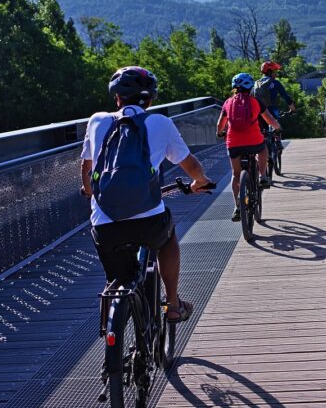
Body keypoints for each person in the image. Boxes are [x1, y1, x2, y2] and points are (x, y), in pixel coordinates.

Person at [80, 66, 213, 323]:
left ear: (117, 98)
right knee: (168, 236)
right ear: (150, 99)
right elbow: (190, 164)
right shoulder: (160, 123)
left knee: (117, 277)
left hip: (105, 224)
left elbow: (86, 166)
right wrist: (200, 181)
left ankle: (112, 328)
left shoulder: (96, 121)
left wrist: (88, 191)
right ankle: (173, 305)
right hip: (148, 222)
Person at [216, 72, 281, 222]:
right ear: (250, 87)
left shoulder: (227, 103)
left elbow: (220, 123)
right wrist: (277, 128)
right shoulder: (256, 102)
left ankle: (238, 207)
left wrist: (219, 133)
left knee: (236, 175)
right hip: (254, 141)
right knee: (263, 149)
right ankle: (263, 176)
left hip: (233, 143)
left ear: (234, 88)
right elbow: (269, 119)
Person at [253, 61, 296, 125]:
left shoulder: (256, 83)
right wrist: (292, 109)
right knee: (277, 130)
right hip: (272, 111)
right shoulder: (275, 82)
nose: (276, 74)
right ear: (270, 72)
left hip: (258, 113)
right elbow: (285, 96)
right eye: (275, 71)